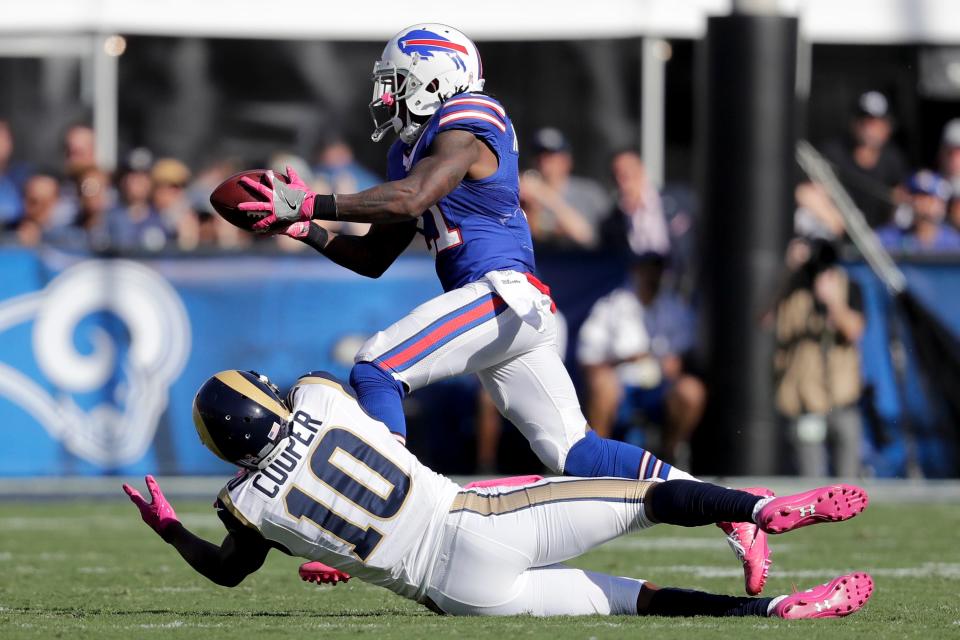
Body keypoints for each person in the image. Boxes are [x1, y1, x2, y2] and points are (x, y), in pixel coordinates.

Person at [232, 23, 769, 595]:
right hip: (507, 308)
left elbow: (416, 197)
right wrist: (306, 225)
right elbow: (371, 255)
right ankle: (727, 506)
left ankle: (378, 517)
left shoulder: (470, 119)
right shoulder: (408, 151)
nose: (384, 96)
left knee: (376, 368)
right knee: (575, 451)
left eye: (395, 82)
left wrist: (309, 197)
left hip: (501, 292)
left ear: (434, 76)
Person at [124, 369, 873, 619]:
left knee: (628, 601)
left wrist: (167, 529)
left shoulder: (241, 507)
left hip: (453, 597)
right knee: (643, 494)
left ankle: (773, 613)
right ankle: (755, 508)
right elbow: (374, 419)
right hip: (473, 525)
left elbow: (228, 571)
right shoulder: (318, 398)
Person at [578, 252, 705, 468]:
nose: (653, 276)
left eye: (659, 270)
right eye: (648, 270)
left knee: (691, 391)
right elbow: (588, 357)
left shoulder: (675, 308)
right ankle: (598, 461)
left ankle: (672, 453)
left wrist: (673, 363)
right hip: (621, 385)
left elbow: (682, 357)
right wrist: (625, 360)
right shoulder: (611, 306)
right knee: (602, 384)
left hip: (659, 387)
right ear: (636, 271)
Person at [772, 240, 866, 477]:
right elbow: (763, 318)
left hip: (843, 397)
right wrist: (788, 272)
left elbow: (854, 330)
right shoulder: (793, 288)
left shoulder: (848, 286)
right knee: (809, 479)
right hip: (804, 396)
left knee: (848, 481)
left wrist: (833, 301)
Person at [822, 91, 908, 228]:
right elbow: (811, 192)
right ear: (853, 122)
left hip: (879, 240)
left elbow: (901, 197)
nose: (868, 128)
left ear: (887, 127)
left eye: (875, 123)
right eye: (863, 121)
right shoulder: (834, 153)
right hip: (840, 233)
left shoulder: (893, 159)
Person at [519, 127, 609, 248]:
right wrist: (528, 207)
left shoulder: (588, 192)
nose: (543, 163)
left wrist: (544, 194)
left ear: (567, 160)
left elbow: (586, 237)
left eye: (551, 157)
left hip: (580, 263)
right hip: (540, 263)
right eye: (539, 157)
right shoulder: (524, 192)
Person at [600, 150, 670, 256]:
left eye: (631, 170)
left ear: (641, 170)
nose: (626, 177)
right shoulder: (613, 222)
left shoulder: (675, 201)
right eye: (619, 173)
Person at [877, 170, 960, 253]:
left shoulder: (954, 242)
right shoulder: (889, 238)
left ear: (942, 204)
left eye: (929, 197)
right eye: (917, 196)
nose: (923, 203)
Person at [10, 173, 60, 246]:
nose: (39, 208)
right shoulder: (7, 230)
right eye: (33, 202)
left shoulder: (65, 236)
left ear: (56, 201)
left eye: (45, 203)